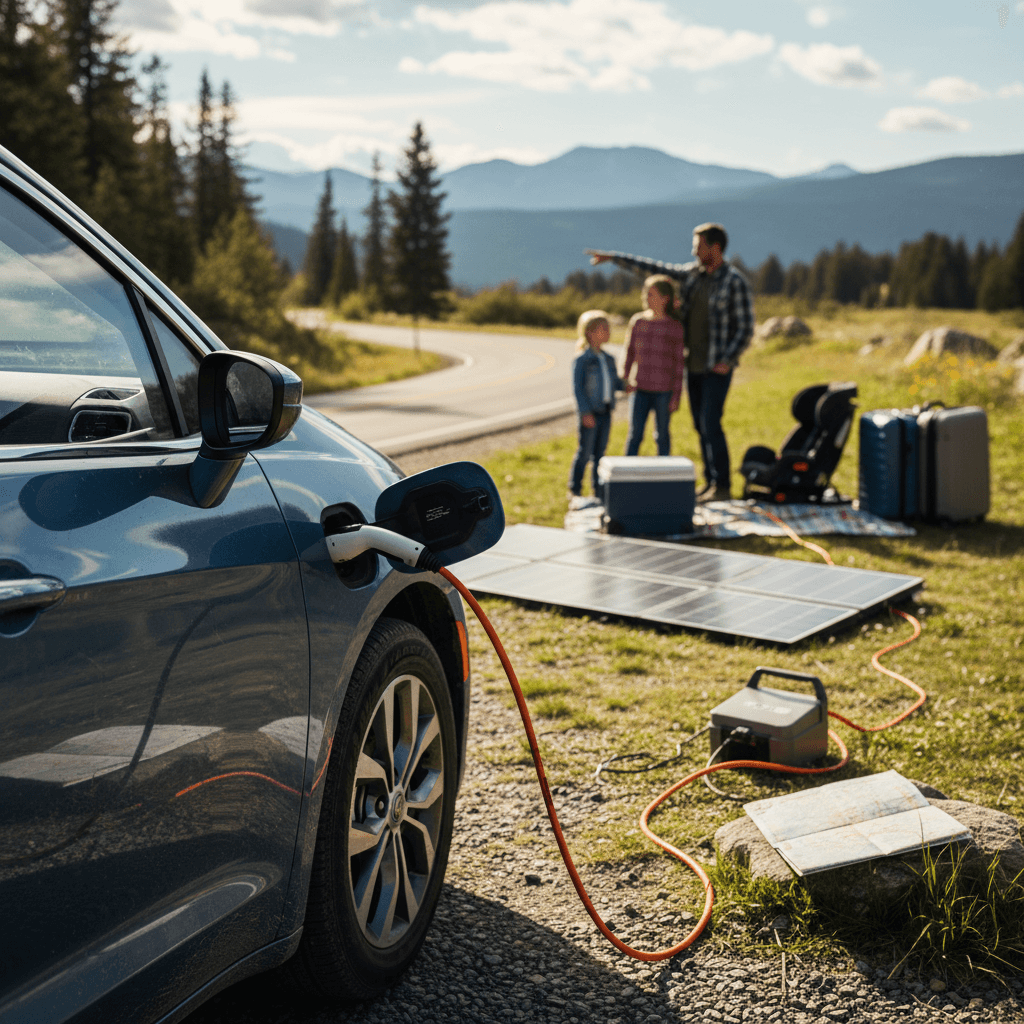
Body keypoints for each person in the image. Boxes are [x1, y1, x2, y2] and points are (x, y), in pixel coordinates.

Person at [587, 222, 755, 502]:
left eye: (698, 245)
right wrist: (615, 258)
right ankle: (711, 481)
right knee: (700, 426)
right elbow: (653, 269)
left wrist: (728, 359)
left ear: (714, 247)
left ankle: (723, 485)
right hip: (694, 366)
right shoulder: (693, 276)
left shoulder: (734, 282)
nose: (693, 250)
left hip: (717, 366)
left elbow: (746, 327)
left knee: (711, 423)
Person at [621, 275, 686, 457]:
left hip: (664, 392)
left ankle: (664, 476)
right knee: (635, 435)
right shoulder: (638, 322)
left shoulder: (674, 327)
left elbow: (679, 365)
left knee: (662, 436)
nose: (647, 298)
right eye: (646, 294)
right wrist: (625, 378)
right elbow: (629, 352)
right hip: (639, 389)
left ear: (665, 298)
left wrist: (676, 396)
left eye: (651, 294)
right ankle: (627, 476)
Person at [568, 309, 623, 500]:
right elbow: (578, 389)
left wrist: (627, 385)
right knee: (585, 452)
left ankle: (598, 490)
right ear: (590, 333)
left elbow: (615, 383)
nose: (608, 332)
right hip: (590, 412)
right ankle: (575, 489)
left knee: (600, 453)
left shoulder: (608, 359)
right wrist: (585, 412)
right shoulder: (582, 360)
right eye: (604, 328)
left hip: (606, 412)